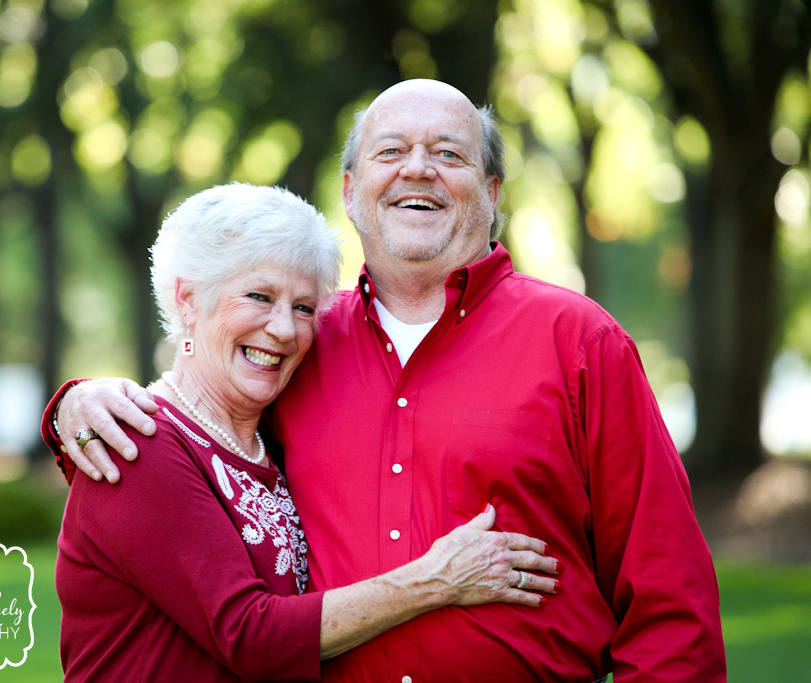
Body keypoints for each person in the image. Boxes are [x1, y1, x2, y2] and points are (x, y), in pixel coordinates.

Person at [45, 81, 727, 682]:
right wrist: (76, 401)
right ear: (350, 189)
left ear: (490, 193)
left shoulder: (580, 342)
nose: (419, 170)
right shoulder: (305, 347)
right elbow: (196, 419)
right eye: (391, 150)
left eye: (450, 153)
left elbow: (670, 596)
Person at [52, 182, 559, 682]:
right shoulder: (134, 441)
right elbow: (249, 635)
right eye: (258, 296)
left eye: (303, 308)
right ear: (188, 299)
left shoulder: (271, 437)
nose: (284, 330)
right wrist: (436, 579)